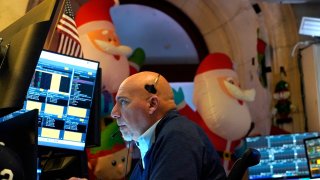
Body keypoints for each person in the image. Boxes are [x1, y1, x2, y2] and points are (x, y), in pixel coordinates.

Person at [111, 71, 227, 179]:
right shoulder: (156, 141)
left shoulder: (179, 136)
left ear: (152, 104)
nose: (114, 113)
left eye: (123, 101)